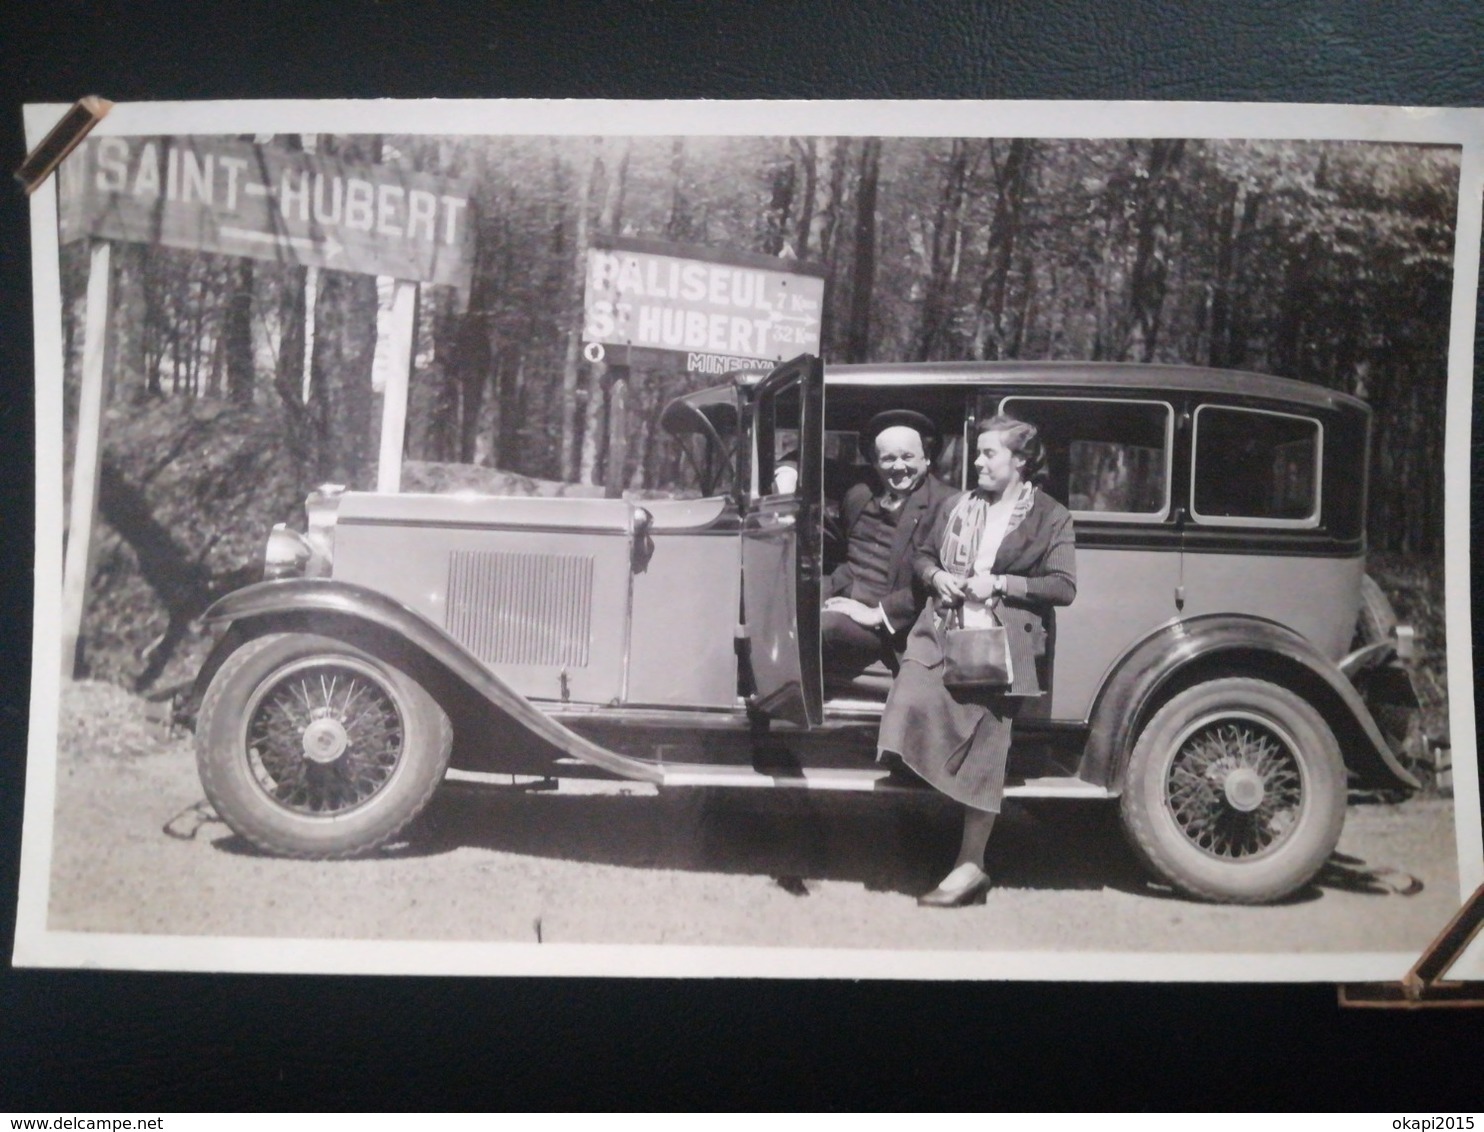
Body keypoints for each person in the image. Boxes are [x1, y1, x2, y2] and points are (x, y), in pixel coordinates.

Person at [878, 414, 1077, 907]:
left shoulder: (1051, 515)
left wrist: (1005, 584)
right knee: (907, 705)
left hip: (1001, 645)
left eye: (989, 453)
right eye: (978, 452)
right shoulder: (956, 506)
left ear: (1020, 461)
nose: (978, 462)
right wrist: (935, 577)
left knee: (986, 746)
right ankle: (933, 822)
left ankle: (970, 866)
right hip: (941, 631)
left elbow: (1063, 586)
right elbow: (923, 556)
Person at [820, 410, 960, 682]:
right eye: (888, 458)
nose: (898, 466)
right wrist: (787, 472)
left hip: (888, 624)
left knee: (821, 627)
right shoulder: (860, 488)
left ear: (927, 458)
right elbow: (807, 461)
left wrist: (877, 614)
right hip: (840, 593)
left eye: (907, 457)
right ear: (874, 462)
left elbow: (938, 582)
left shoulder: (947, 504)